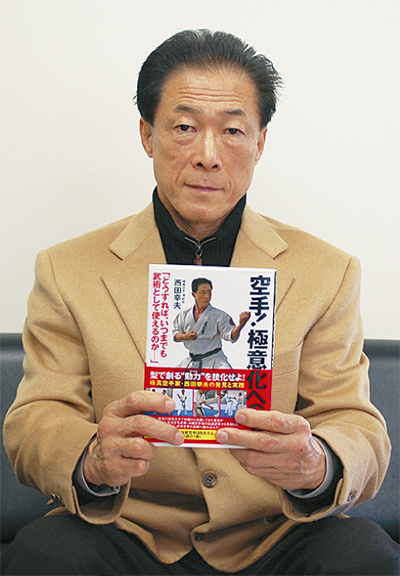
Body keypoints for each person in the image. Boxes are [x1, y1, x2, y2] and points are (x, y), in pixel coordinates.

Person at [2, 29, 399, 576]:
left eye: (233, 130)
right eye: (185, 127)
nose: (208, 156)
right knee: (43, 555)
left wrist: (317, 463)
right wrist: (92, 457)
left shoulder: (327, 272)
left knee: (365, 555)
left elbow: (353, 422)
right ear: (147, 134)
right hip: (127, 529)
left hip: (270, 533)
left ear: (260, 143)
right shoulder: (67, 268)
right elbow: (37, 417)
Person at [173, 277, 250, 369]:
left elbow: (232, 336)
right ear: (194, 294)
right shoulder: (184, 315)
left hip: (215, 360)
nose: (207, 296)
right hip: (192, 360)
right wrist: (185, 336)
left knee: (228, 376)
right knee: (169, 376)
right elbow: (175, 335)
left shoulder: (219, 315)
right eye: (203, 292)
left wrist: (240, 325)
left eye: (209, 292)